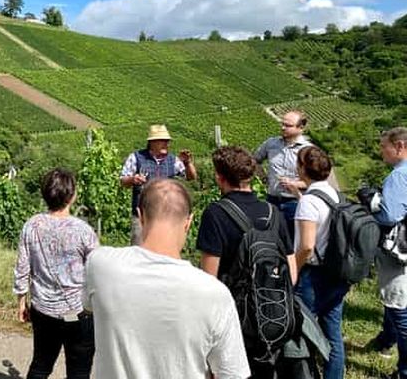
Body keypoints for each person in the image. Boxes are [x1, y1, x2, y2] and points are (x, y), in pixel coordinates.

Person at [85, 179, 249, 379]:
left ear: (140, 216)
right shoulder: (215, 293)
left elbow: (87, 306)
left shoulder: (101, 265)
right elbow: (232, 374)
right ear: (189, 222)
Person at [197, 145, 296, 378]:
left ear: (219, 177)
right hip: (272, 313)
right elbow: (291, 272)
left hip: (234, 318)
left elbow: (209, 282)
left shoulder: (216, 213)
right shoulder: (274, 213)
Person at [13, 168, 98, 379]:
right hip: (79, 312)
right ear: (72, 196)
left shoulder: (31, 225)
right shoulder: (83, 230)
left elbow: (23, 267)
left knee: (41, 365)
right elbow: (97, 271)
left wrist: (21, 302)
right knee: (79, 371)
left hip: (43, 311)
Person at [291, 145, 348, 379]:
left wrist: (293, 267)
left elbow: (306, 245)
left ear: (303, 169)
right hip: (336, 271)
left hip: (313, 275)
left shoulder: (308, 203)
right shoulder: (335, 194)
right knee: (332, 331)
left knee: (302, 332)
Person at [364, 127, 407, 379]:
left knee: (399, 308)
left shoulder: (399, 176)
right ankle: (385, 340)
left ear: (399, 146)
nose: (382, 153)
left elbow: (389, 215)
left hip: (398, 253)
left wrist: (372, 203)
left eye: (384, 147)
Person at [119, 124, 197, 245]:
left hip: (167, 217)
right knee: (140, 251)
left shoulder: (173, 160)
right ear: (152, 142)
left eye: (167, 141)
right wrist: (133, 179)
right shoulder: (136, 158)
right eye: (163, 141)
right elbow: (123, 180)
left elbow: (191, 177)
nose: (166, 144)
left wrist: (187, 163)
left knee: (164, 251)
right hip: (142, 217)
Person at [255, 110, 313, 238]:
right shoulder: (271, 143)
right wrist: (264, 178)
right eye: (282, 124)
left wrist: (295, 184)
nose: (283, 128)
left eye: (288, 125)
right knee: (271, 238)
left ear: (301, 127)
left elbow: (315, 182)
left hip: (295, 202)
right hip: (272, 200)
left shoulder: (308, 150)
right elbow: (254, 161)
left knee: (293, 240)